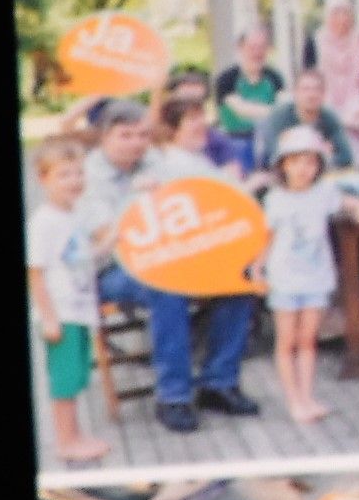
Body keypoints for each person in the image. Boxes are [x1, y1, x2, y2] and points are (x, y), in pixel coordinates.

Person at [81, 100, 259, 436]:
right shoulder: (90, 177)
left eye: (142, 135)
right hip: (108, 269)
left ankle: (219, 382)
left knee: (237, 278)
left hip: (168, 254)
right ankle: (173, 396)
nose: (136, 143)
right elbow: (107, 238)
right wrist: (132, 198)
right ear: (104, 136)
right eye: (126, 135)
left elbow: (196, 194)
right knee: (166, 286)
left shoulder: (153, 160)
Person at [26, 137, 111, 465]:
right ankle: (64, 442)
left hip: (80, 309)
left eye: (78, 173)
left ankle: (76, 436)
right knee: (64, 380)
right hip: (60, 313)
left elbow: (82, 257)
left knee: (76, 376)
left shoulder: (73, 215)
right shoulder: (43, 222)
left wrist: (110, 241)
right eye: (64, 174)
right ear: (43, 179)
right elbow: (35, 273)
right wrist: (49, 317)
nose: (74, 180)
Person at [258, 127, 341, 423]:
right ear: (283, 165)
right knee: (286, 341)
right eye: (295, 162)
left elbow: (345, 203)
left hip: (316, 277)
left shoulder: (325, 193)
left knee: (308, 340)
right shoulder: (275, 199)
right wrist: (257, 268)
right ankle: (293, 400)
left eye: (310, 162)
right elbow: (267, 237)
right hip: (284, 279)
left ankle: (307, 397)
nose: (303, 169)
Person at [207, 23, 283, 176]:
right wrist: (275, 112)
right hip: (235, 139)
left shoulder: (274, 77)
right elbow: (242, 110)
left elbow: (284, 108)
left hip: (268, 138)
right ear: (240, 48)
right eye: (252, 47)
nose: (258, 53)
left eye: (262, 47)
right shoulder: (227, 79)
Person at [256, 65, 359, 173]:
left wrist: (318, 160)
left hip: (321, 175)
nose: (311, 94)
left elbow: (345, 157)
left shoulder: (330, 118)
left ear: (324, 94)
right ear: (295, 93)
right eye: (306, 89)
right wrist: (320, 152)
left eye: (317, 89)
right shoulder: (279, 117)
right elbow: (274, 158)